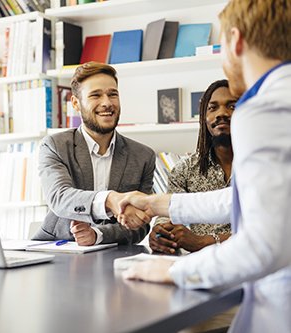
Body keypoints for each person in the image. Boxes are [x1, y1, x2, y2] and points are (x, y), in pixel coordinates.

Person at [119, 1, 291, 331]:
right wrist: (155, 203)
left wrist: (173, 272)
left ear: (235, 41)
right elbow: (249, 198)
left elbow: (262, 245)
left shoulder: (263, 110)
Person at [32, 62, 155, 246]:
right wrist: (110, 199)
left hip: (112, 255)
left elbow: (140, 225)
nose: (107, 103)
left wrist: (97, 235)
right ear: (76, 103)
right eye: (95, 95)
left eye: (112, 94)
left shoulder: (143, 156)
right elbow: (60, 197)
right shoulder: (54, 146)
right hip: (57, 247)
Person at [150, 79, 238, 254]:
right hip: (199, 268)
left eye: (232, 106)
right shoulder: (185, 169)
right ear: (204, 119)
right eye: (212, 108)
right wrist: (161, 233)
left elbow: (268, 229)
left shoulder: (263, 165)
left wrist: (206, 241)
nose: (222, 113)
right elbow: (167, 215)